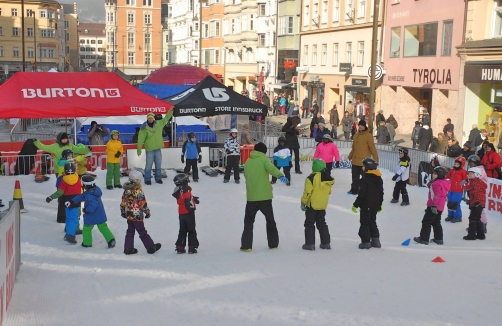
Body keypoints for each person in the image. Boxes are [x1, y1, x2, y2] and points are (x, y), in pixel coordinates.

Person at [240, 143, 289, 252]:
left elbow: (246, 175)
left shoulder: (248, 161)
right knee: (270, 220)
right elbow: (272, 169)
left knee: (248, 222)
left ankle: (246, 246)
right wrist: (280, 175)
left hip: (251, 197)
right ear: (264, 151)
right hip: (265, 197)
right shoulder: (264, 160)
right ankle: (273, 244)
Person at [66, 175, 116, 248]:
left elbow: (93, 204)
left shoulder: (90, 195)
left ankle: (87, 243)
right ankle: (111, 240)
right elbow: (81, 196)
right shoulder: (93, 191)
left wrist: (86, 210)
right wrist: (72, 201)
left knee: (86, 229)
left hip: (91, 215)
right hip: (99, 214)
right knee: (103, 227)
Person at [120, 170, 161, 255]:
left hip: (129, 215)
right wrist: (147, 212)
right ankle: (150, 247)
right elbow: (143, 204)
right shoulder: (139, 192)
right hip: (137, 216)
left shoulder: (126, 190)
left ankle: (128, 248)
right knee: (142, 231)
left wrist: (123, 211)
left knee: (130, 231)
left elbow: (123, 202)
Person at [300, 158, 334, 251]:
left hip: (312, 205)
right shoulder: (327, 178)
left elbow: (307, 192)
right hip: (322, 205)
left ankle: (310, 244)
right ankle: (326, 243)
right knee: (322, 223)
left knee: (309, 223)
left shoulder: (311, 178)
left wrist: (303, 202)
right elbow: (329, 192)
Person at [45, 162, 82, 245]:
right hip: (76, 200)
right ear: (74, 170)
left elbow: (60, 192)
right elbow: (81, 190)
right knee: (74, 219)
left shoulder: (64, 180)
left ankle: (68, 231)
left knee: (68, 217)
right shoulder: (77, 178)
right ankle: (70, 235)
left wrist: (51, 197)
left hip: (67, 201)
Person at [351, 158, 384, 249]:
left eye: (363, 166)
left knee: (364, 223)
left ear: (368, 167)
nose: (362, 168)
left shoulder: (365, 179)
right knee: (372, 222)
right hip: (375, 206)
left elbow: (362, 195)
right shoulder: (379, 178)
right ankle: (376, 241)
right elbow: (381, 193)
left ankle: (365, 242)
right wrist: (379, 204)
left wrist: (355, 205)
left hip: (366, 206)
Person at [413, 166, 449, 245]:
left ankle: (424, 239)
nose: (433, 174)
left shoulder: (437, 184)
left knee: (426, 221)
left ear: (440, 175)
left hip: (434, 206)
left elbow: (437, 195)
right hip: (440, 207)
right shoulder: (443, 183)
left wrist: (433, 205)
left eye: (435, 173)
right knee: (436, 222)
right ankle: (438, 238)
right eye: (433, 173)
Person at [137, 112, 173, 185]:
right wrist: (139, 149)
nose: (150, 119)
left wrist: (170, 111)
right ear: (147, 119)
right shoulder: (144, 127)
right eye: (149, 118)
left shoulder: (159, 123)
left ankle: (158, 178)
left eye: (151, 118)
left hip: (157, 149)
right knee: (148, 165)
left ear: (153, 118)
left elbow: (166, 118)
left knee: (158, 165)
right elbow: (140, 139)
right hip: (149, 149)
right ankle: (147, 179)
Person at [347, 120, 379, 195]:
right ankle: (354, 190)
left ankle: (368, 190)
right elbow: (354, 148)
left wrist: (376, 159)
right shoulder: (356, 135)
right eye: (359, 125)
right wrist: (350, 156)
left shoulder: (368, 136)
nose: (360, 126)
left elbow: (372, 148)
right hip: (355, 160)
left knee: (366, 178)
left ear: (365, 126)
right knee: (355, 177)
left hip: (363, 162)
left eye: (362, 125)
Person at [172, 173, 200, 254]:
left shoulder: (178, 190)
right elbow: (186, 197)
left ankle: (180, 247)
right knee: (191, 230)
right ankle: (192, 247)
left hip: (181, 213)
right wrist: (189, 206)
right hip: (188, 212)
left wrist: (193, 199)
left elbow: (183, 197)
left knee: (182, 230)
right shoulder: (185, 189)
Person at [463, 167, 487, 240]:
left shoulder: (475, 183)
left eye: (471, 173)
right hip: (478, 203)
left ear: (476, 174)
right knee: (477, 219)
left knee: (472, 218)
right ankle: (481, 235)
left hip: (477, 203)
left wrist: (476, 203)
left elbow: (476, 193)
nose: (469, 175)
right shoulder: (474, 182)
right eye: (469, 173)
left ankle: (471, 235)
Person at [466, 155, 489, 233]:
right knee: (473, 208)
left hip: (480, 193)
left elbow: (477, 179)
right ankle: (473, 225)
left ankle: (483, 224)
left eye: (471, 163)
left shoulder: (480, 170)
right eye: (469, 163)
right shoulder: (475, 169)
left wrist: (468, 179)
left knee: (480, 209)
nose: (470, 165)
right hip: (474, 192)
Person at [445, 156, 468, 223]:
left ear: (461, 165)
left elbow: (466, 180)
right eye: (455, 164)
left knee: (455, 203)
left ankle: (457, 217)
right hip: (450, 189)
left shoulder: (463, 172)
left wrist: (463, 186)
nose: (456, 165)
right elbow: (447, 177)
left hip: (458, 191)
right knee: (450, 202)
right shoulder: (452, 170)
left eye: (458, 164)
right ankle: (450, 215)